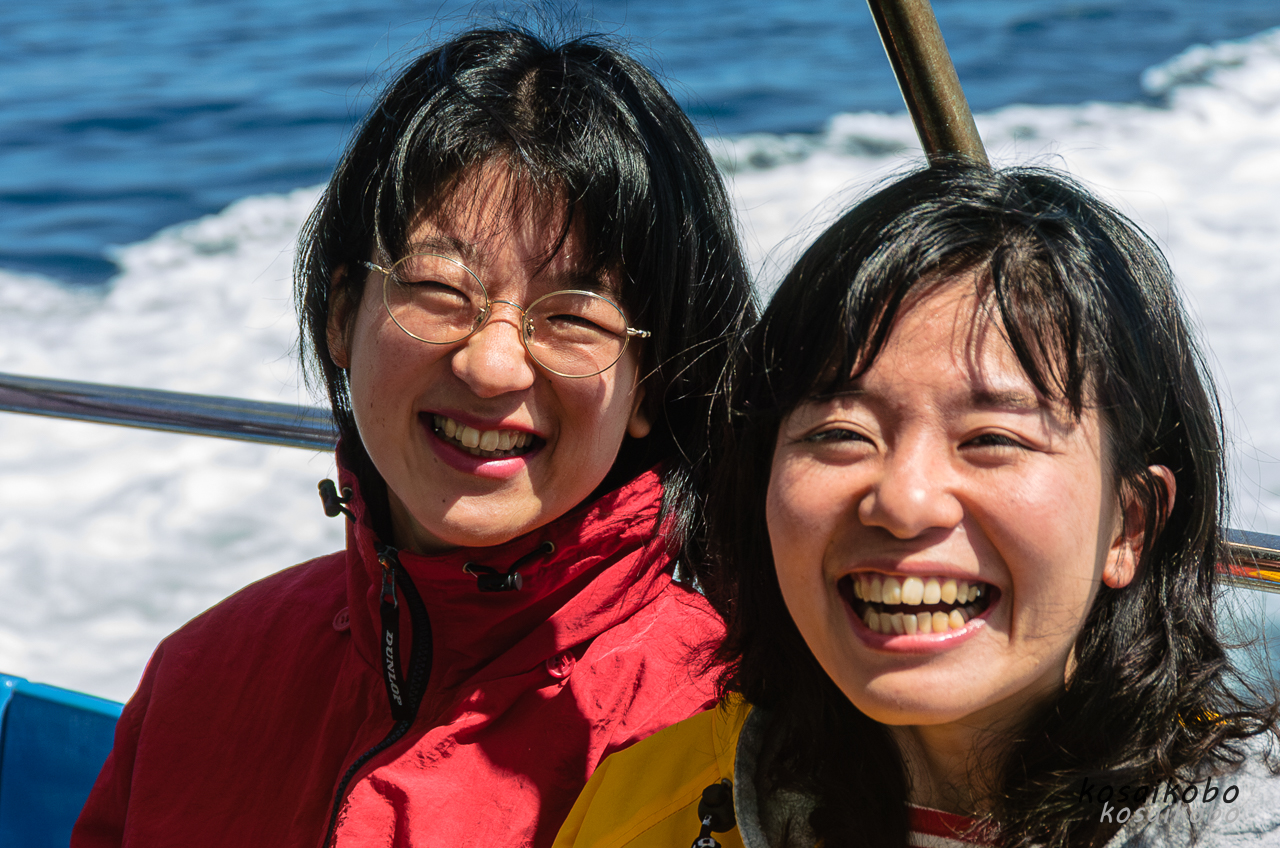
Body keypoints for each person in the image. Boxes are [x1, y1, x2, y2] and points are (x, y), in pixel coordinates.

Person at [73, 27, 754, 848]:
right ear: (340, 316)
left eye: (574, 317)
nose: (492, 365)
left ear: (653, 382)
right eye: (438, 288)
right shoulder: (199, 676)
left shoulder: (724, 736)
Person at [553, 165, 1280, 848]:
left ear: (1130, 525)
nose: (903, 502)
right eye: (840, 433)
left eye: (992, 439)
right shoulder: (643, 811)